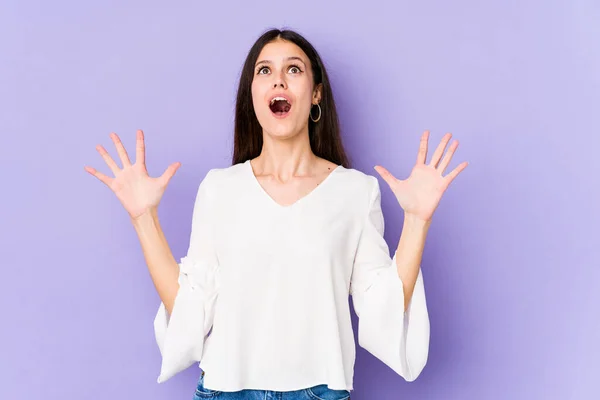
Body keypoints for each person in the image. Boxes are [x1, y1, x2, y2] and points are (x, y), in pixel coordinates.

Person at [84, 28, 468, 400]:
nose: (279, 81)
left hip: (319, 391)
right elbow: (189, 309)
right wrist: (143, 217)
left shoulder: (355, 191)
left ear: (315, 93)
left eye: (294, 69)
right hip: (224, 391)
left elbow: (381, 309)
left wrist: (417, 221)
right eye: (264, 71)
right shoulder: (219, 189)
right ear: (252, 94)